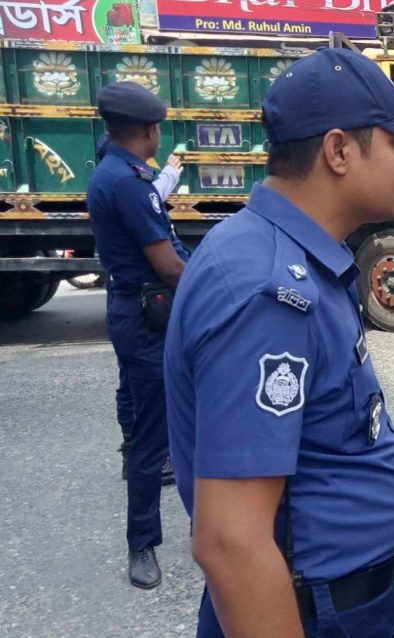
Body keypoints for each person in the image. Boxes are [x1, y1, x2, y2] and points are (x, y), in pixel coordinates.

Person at [164, 48, 394, 637]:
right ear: (339, 151)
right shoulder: (269, 290)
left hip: (340, 600)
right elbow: (231, 541)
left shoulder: (294, 261)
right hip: (311, 613)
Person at [87, 81, 190, 589]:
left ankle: (136, 461)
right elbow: (169, 265)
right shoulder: (126, 181)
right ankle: (142, 544)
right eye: (157, 127)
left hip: (131, 310)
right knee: (157, 438)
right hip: (148, 315)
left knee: (136, 410)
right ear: (147, 131)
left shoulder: (115, 167)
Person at [96, 133, 182, 484]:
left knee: (131, 382)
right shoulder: (127, 187)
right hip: (141, 304)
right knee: (150, 385)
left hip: (123, 298)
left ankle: (135, 452)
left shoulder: (110, 184)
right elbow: (168, 264)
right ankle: (150, 458)